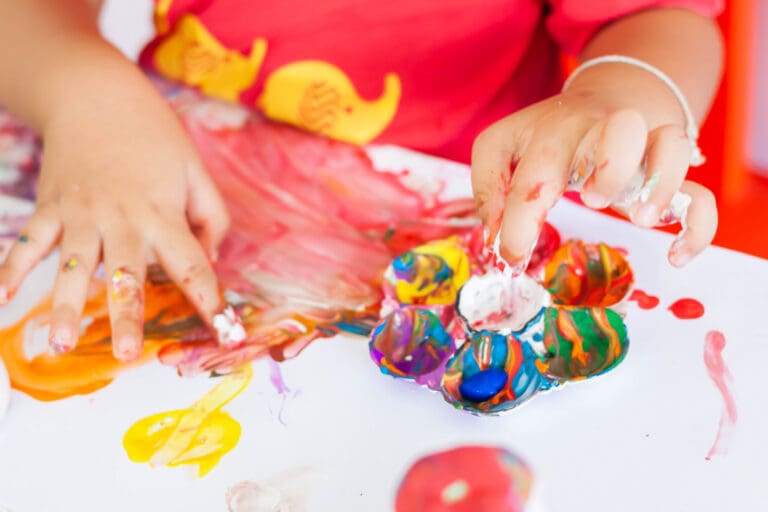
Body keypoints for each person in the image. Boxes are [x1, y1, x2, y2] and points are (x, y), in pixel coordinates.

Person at [0, 0, 723, 360]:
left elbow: (654, 15)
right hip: (158, 166)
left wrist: (616, 94)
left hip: (479, 209)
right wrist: (83, 92)